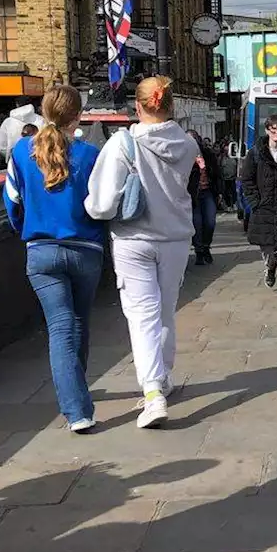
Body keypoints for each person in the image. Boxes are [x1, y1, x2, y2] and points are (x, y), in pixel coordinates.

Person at [86, 76, 200, 428]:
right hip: (176, 238)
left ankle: (153, 394)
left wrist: (91, 206)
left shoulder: (122, 143)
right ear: (171, 106)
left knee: (141, 315)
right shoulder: (188, 144)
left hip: (133, 238)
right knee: (165, 311)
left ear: (138, 106)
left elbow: (102, 204)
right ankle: (162, 376)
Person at [4, 85, 105, 433]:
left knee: (60, 328)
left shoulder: (21, 153)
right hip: (85, 250)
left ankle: (76, 409)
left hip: (41, 252)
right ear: (77, 115)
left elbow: (12, 201)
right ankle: (78, 399)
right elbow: (101, 205)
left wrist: (26, 231)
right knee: (79, 324)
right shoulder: (90, 155)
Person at [245, 114, 277, 295]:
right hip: (264, 207)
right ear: (267, 130)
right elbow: (247, 179)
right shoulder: (256, 152)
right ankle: (270, 266)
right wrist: (255, 202)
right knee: (268, 247)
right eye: (273, 129)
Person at [187, 129, 221, 266]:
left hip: (208, 192)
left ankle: (206, 246)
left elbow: (217, 174)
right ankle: (199, 251)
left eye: (194, 139)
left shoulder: (207, 154)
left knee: (210, 222)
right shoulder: (184, 156)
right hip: (192, 194)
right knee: (197, 223)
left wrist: (219, 192)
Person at [219, 140, 239, 211]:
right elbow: (219, 167)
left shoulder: (235, 157)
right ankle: (228, 205)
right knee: (226, 192)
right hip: (225, 179)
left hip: (233, 178)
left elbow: (237, 167)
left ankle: (234, 204)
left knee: (234, 191)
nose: (227, 150)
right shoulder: (221, 158)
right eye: (225, 149)